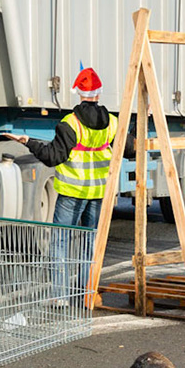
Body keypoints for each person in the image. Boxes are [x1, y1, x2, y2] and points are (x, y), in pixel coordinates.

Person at [11, 67, 115, 301]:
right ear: (99, 94)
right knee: (89, 240)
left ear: (79, 93)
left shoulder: (71, 123)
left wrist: (29, 142)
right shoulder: (113, 123)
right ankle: (85, 292)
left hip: (71, 191)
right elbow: (129, 148)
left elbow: (53, 156)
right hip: (98, 191)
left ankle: (60, 296)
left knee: (60, 241)